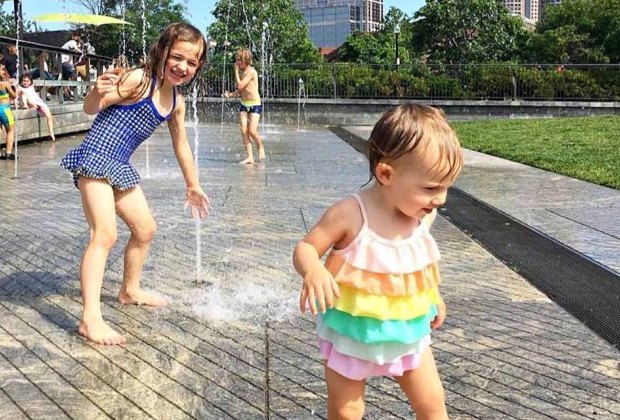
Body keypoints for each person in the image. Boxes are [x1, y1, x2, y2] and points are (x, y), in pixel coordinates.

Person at [293, 104, 464, 419]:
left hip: (409, 332)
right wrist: (314, 269)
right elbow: (305, 248)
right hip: (353, 335)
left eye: (446, 187)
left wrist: (432, 296)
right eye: (431, 188)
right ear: (386, 173)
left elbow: (415, 263)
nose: (441, 198)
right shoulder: (350, 214)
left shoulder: (421, 214)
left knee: (433, 405)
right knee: (346, 412)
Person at [60, 22, 210, 345]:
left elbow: (181, 145)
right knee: (105, 233)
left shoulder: (176, 103)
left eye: (191, 62)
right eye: (177, 57)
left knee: (145, 229)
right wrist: (97, 91)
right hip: (96, 158)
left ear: (198, 66)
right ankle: (90, 318)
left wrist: (192, 184)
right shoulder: (140, 80)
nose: (182, 67)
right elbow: (92, 109)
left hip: (119, 166)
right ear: (163, 51)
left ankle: (129, 290)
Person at [223, 48, 265, 164]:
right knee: (243, 130)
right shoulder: (241, 72)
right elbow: (240, 91)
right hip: (244, 104)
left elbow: (240, 85)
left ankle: (260, 146)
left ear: (246, 60)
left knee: (252, 131)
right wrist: (230, 95)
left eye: (239, 60)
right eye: (236, 60)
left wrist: (235, 71)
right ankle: (250, 157)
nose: (237, 63)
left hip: (254, 104)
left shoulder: (252, 72)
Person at [17, 73, 55, 141]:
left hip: (39, 102)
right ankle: (26, 106)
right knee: (24, 95)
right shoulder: (20, 88)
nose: (26, 83)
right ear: (21, 82)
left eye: (27, 81)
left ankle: (51, 133)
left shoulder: (31, 86)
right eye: (24, 81)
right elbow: (15, 95)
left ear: (31, 82)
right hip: (29, 103)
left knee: (49, 116)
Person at [0, 66, 17, 160]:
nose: (4, 71)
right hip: (5, 110)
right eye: (2, 69)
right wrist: (15, 87)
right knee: (10, 130)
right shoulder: (5, 84)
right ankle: (8, 153)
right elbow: (14, 95)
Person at [60, 31, 82, 98]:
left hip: (63, 61)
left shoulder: (70, 44)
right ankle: (73, 90)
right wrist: (81, 50)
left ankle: (67, 95)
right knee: (73, 72)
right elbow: (77, 50)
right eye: (77, 35)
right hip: (63, 61)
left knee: (65, 78)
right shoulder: (72, 42)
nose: (78, 37)